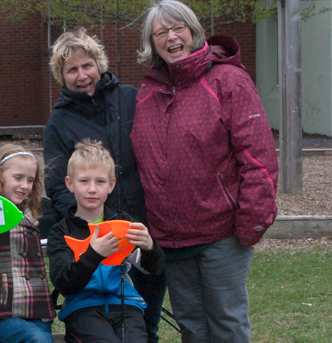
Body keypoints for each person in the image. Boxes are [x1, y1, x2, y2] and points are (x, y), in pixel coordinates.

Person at [133, 2, 279, 342]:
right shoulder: (148, 91)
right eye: (161, 32)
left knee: (226, 323)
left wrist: (251, 223)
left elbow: (258, 159)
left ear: (193, 30)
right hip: (172, 238)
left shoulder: (227, 80)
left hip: (222, 234)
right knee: (192, 326)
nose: (171, 37)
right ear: (151, 43)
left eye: (178, 28)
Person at [43, 28, 165, 342]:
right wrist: (90, 220)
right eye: (71, 70)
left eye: (87, 66)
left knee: (144, 320)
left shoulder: (129, 98)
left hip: (139, 223)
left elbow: (155, 149)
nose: (81, 75)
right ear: (62, 75)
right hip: (90, 232)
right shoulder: (59, 122)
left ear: (99, 64)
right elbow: (57, 182)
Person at [47, 140, 164, 343]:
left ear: (111, 185)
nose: (92, 189)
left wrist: (150, 247)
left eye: (100, 182)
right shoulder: (61, 232)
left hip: (127, 305)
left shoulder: (124, 224)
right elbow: (64, 283)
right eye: (84, 181)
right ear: (69, 184)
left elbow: (155, 269)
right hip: (82, 307)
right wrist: (93, 255)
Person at [0, 144, 55, 342]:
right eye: (18, 178)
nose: (25, 185)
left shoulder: (32, 213)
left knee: (43, 338)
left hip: (36, 306)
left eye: (30, 180)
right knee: (38, 340)